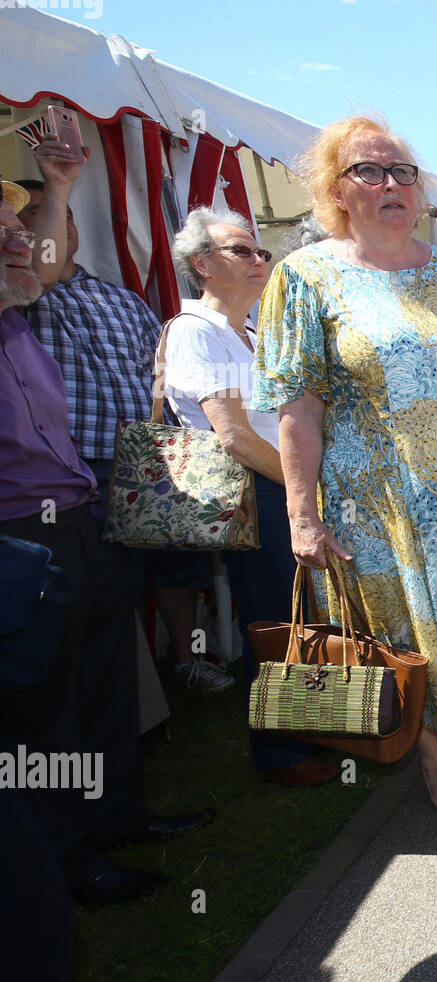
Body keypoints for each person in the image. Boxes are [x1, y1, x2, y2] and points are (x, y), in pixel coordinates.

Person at [252, 115, 437, 816]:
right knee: (401, 632)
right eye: (369, 171)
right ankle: (431, 753)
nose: (391, 184)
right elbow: (297, 408)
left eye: (403, 172)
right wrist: (302, 516)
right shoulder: (305, 277)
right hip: (377, 502)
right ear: (335, 188)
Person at [1, 179, 209, 904]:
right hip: (18, 542)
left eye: (18, 229)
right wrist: (57, 185)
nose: (21, 243)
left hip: (79, 521)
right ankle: (69, 862)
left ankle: (121, 818)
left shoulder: (20, 324)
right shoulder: (31, 306)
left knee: (105, 681)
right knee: (42, 713)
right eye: (7, 232)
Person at [17, 172, 234, 695]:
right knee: (115, 578)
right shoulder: (21, 294)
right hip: (76, 463)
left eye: (62, 213)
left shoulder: (120, 298)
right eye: (34, 215)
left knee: (175, 563)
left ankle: (184, 662)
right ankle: (135, 684)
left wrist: (166, 441)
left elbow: (154, 372)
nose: (53, 224)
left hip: (144, 456)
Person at [165, 208, 339, 787]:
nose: (260, 259)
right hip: (256, 497)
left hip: (278, 492)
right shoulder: (195, 329)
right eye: (243, 251)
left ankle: (313, 729)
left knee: (299, 615)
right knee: (274, 619)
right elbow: (235, 436)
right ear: (202, 265)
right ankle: (280, 754)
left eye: (261, 251)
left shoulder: (251, 330)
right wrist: (302, 492)